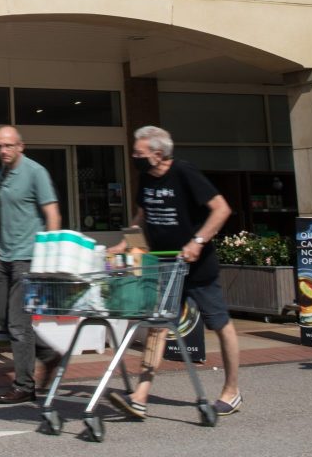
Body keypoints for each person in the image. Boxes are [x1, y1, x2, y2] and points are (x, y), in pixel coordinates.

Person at [106, 125, 242, 418]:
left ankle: (231, 391)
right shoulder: (145, 178)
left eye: (138, 153)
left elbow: (221, 209)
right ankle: (140, 395)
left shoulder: (184, 172)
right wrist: (124, 244)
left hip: (198, 266)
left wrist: (197, 241)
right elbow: (142, 216)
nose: (134, 157)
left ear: (157, 153)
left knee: (219, 324)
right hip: (167, 266)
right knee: (158, 325)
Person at [0, 125, 63, 405]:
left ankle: (24, 386)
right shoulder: (2, 174)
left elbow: (52, 214)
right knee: (2, 317)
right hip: (4, 256)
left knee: (19, 325)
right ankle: (48, 355)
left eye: (9, 145)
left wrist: (49, 258)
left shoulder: (35, 172)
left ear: (21, 146)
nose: (4, 150)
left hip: (27, 257)